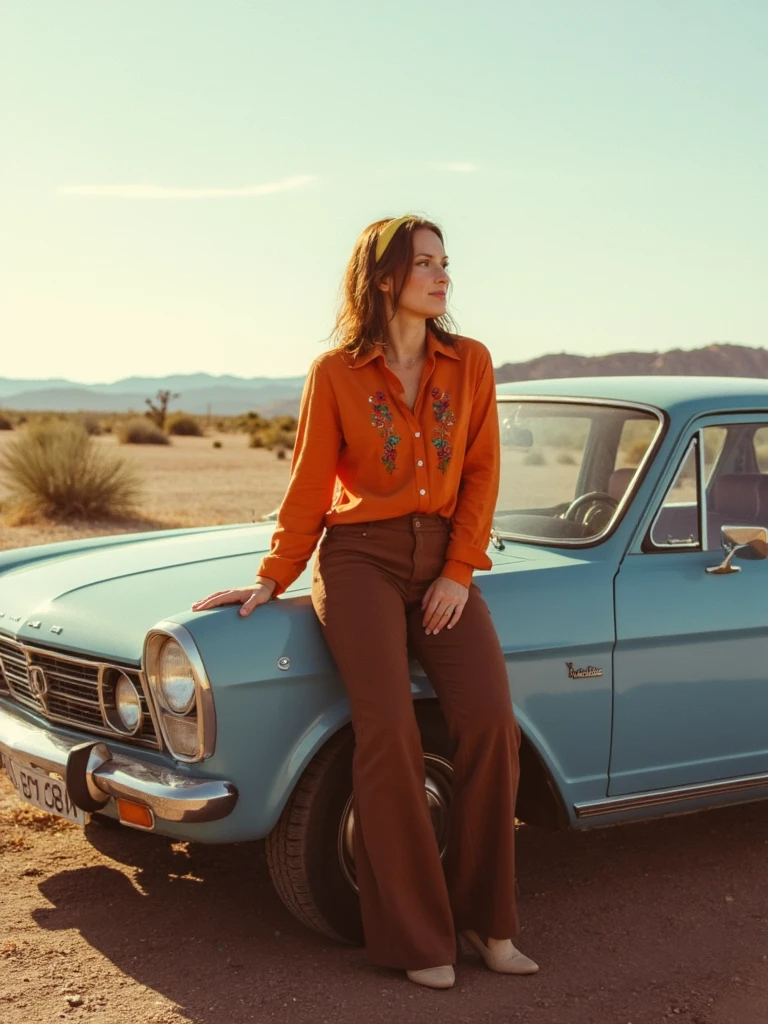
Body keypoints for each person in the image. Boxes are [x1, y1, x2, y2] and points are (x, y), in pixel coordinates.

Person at [192, 214, 538, 990]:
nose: (443, 276)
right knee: (388, 733)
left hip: (442, 559)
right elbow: (310, 486)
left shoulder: (470, 362)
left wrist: (458, 570)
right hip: (360, 563)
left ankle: (489, 922)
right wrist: (273, 575)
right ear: (385, 279)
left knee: (489, 723)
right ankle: (420, 938)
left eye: (446, 262)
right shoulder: (336, 373)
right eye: (425, 264)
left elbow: (481, 473)